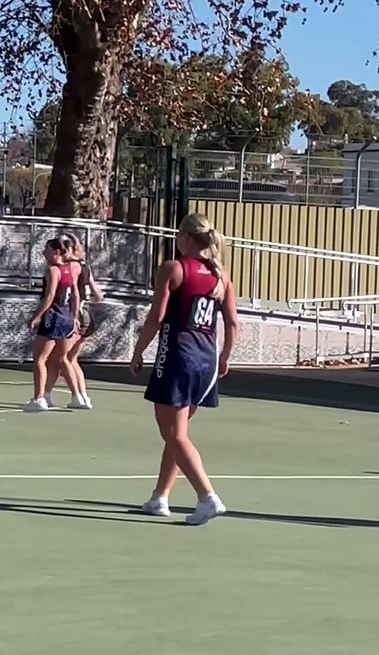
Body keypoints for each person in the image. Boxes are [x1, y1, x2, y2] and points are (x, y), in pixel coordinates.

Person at [130, 213, 238, 526]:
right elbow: (232, 322)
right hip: (205, 360)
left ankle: (207, 497)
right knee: (178, 434)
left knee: (174, 434)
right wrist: (225, 355)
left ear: (188, 237)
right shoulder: (221, 276)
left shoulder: (174, 268)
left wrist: (138, 351)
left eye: (179, 234)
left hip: (178, 356)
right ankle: (160, 497)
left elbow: (156, 317)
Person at [43, 233, 105, 409]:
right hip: (86, 314)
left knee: (61, 358)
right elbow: (97, 292)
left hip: (73, 314)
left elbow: (73, 294)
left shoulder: (69, 267)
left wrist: (75, 313)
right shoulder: (85, 266)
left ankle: (74, 396)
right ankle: (80, 396)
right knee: (70, 358)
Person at [23, 238, 82, 412]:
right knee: (62, 358)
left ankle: (39, 398)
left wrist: (37, 316)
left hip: (53, 316)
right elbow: (76, 295)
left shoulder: (53, 270)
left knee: (40, 359)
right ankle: (77, 396)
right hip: (67, 316)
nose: (44, 253)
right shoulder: (69, 270)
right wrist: (75, 316)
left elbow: (49, 296)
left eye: (47, 250)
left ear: (56, 252)